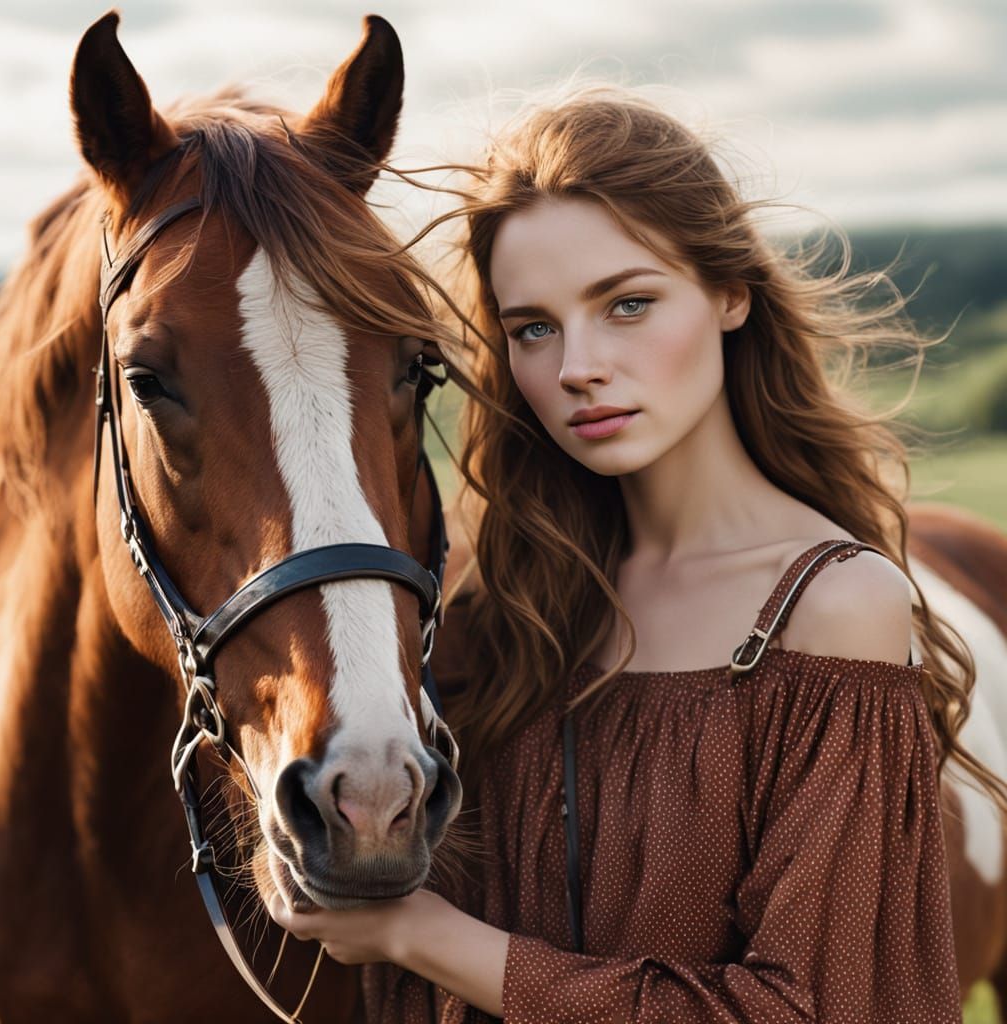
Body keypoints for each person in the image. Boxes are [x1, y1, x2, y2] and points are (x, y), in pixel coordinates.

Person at [268, 86, 1002, 1022]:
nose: (575, 365)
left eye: (627, 304)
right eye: (533, 326)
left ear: (731, 293)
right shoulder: (500, 609)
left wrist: (422, 936)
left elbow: (801, 1008)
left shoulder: (834, 607)